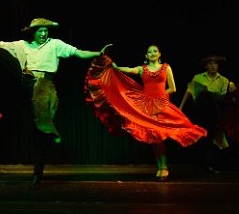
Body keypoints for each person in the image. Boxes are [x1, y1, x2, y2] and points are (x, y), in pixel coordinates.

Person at [0, 12, 112, 189]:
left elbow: (78, 53)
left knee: (40, 134)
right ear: (33, 32)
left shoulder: (55, 45)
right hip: (26, 81)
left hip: (45, 84)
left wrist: (98, 53)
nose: (43, 33)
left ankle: (38, 172)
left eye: (45, 30)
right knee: (2, 53)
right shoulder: (22, 45)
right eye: (40, 31)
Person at [84, 44, 207, 181]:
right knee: (154, 137)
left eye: (155, 51)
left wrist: (161, 98)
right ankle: (161, 167)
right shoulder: (142, 69)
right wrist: (114, 66)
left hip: (161, 105)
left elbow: (173, 88)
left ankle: (164, 166)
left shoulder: (166, 68)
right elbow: (128, 70)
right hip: (146, 106)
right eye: (150, 52)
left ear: (159, 54)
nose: (153, 53)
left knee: (163, 133)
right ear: (146, 56)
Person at [178, 55, 234, 173]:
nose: (213, 66)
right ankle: (201, 164)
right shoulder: (198, 78)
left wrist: (211, 95)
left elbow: (222, 98)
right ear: (206, 66)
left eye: (215, 64)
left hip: (214, 112)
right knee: (201, 138)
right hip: (200, 111)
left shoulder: (224, 80)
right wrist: (181, 107)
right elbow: (189, 91)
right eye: (210, 64)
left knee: (213, 139)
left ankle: (207, 165)